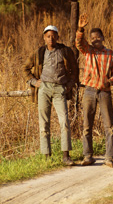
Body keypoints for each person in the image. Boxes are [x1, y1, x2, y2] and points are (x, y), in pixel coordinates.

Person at [23, 25, 78, 166]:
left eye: (53, 36)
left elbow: (74, 70)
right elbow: (25, 68)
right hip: (44, 88)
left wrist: (70, 84)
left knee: (64, 121)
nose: (51, 38)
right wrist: (34, 82)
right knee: (44, 122)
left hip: (60, 88)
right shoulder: (39, 52)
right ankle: (47, 156)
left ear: (58, 37)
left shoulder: (65, 51)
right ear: (44, 38)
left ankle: (66, 155)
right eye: (48, 36)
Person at [75, 14, 113, 168]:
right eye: (92, 37)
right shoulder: (88, 51)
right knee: (87, 125)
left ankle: (109, 158)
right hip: (89, 91)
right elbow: (79, 42)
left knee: (109, 126)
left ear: (102, 37)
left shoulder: (110, 53)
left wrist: (110, 81)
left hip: (105, 92)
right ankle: (88, 156)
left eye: (97, 37)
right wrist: (81, 28)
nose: (95, 40)